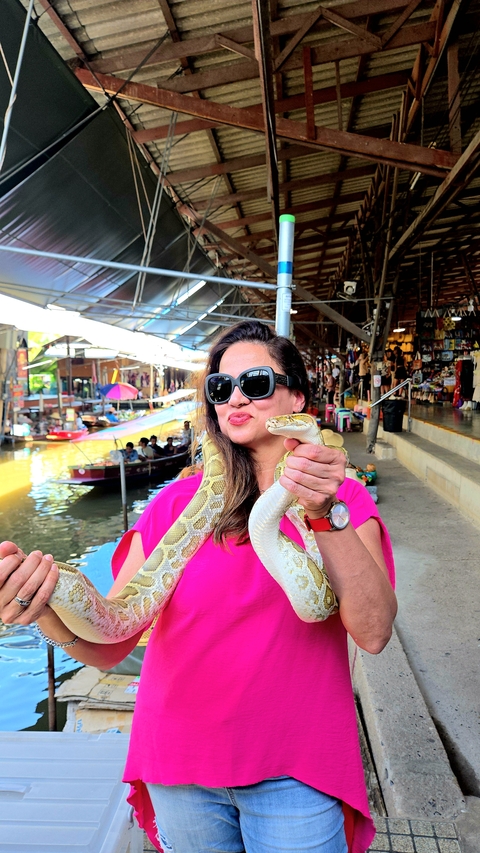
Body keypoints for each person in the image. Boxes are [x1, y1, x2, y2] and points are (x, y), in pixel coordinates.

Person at [0, 320, 396, 853]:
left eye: (255, 383)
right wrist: (43, 605)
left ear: (296, 398)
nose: (234, 397)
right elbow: (113, 637)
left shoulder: (342, 500)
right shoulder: (172, 505)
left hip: (296, 764)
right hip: (180, 765)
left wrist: (324, 513)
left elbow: (372, 632)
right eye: (219, 387)